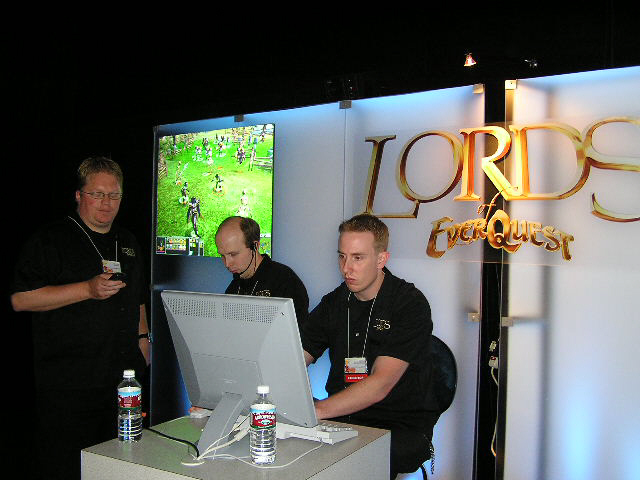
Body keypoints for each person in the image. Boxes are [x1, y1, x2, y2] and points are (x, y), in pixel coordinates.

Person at [10, 157, 150, 480]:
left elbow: (138, 297)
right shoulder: (52, 239)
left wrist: (144, 340)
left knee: (120, 467)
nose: (106, 203)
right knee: (69, 469)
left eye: (114, 195)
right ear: (78, 195)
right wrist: (87, 289)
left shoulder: (128, 242)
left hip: (122, 384)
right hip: (69, 388)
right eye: (97, 194)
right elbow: (20, 299)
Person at [301, 214, 436, 479]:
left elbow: (380, 385)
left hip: (395, 422)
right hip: (340, 416)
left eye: (358, 258)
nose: (346, 268)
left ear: (381, 259)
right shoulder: (335, 302)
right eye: (342, 257)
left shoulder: (409, 304)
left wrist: (316, 411)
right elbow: (296, 357)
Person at [215, 216, 309, 326]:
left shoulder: (286, 282)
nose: (227, 264)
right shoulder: (234, 287)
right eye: (222, 255)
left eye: (233, 254)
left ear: (255, 246)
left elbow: (296, 333)